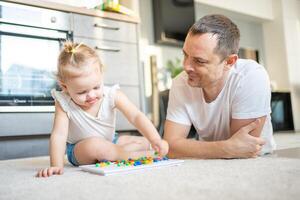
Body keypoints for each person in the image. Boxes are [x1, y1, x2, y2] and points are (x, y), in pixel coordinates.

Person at [37, 41, 168, 177]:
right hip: (80, 149)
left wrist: (155, 139)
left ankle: (118, 152)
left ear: (101, 75)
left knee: (143, 141)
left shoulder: (112, 94)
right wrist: (56, 165)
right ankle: (129, 155)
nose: (91, 95)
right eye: (82, 92)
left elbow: (136, 116)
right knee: (95, 146)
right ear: (65, 87)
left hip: (111, 140)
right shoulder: (63, 102)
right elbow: (59, 135)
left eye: (96, 87)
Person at [164, 14, 276, 159]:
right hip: (208, 160)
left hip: (257, 161)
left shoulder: (251, 76)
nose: (186, 67)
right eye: (185, 55)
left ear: (229, 62)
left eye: (199, 61)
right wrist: (225, 148)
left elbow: (245, 149)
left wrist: (189, 147)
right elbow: (170, 146)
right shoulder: (181, 82)